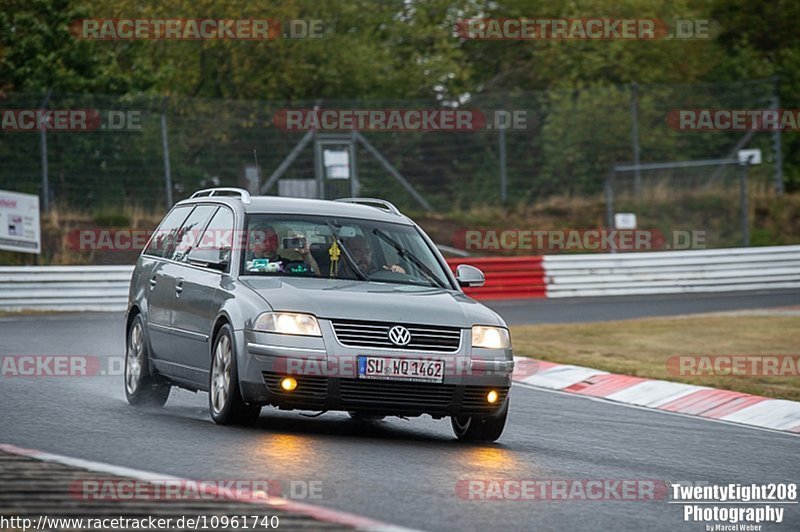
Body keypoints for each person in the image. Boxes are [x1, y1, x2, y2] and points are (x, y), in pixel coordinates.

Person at [246, 225, 321, 276]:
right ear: (251, 245)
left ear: (277, 244)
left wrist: (306, 255)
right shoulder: (242, 266)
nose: (269, 244)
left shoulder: (289, 267)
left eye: (273, 240)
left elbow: (316, 278)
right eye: (262, 240)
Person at [336, 235, 405, 278]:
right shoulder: (333, 273)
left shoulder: (380, 274)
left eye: (367, 251)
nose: (364, 255)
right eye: (357, 251)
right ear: (345, 254)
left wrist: (398, 274)